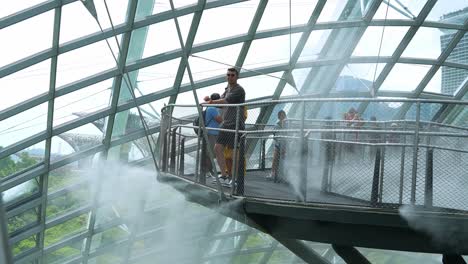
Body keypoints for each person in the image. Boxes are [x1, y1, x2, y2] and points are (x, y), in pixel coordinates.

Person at [205, 68, 245, 185]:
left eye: (232, 75)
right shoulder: (227, 89)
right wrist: (211, 100)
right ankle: (224, 175)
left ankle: (235, 178)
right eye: (228, 75)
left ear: (237, 77)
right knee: (217, 148)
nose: (230, 77)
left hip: (235, 124)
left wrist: (210, 102)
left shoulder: (238, 90)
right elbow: (221, 104)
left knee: (233, 152)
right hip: (226, 124)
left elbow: (225, 101)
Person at [200, 93, 222, 178]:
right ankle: (209, 171)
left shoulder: (209, 107)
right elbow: (219, 120)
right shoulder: (213, 108)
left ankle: (208, 171)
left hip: (211, 133)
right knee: (210, 153)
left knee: (210, 153)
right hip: (212, 133)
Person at [268, 110, 287, 181]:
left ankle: (283, 174)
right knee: (275, 159)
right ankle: (273, 173)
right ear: (279, 117)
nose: (283, 117)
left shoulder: (286, 125)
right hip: (278, 144)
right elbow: (274, 135)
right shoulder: (277, 125)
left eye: (284, 115)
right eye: (281, 116)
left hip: (284, 143)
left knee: (284, 159)